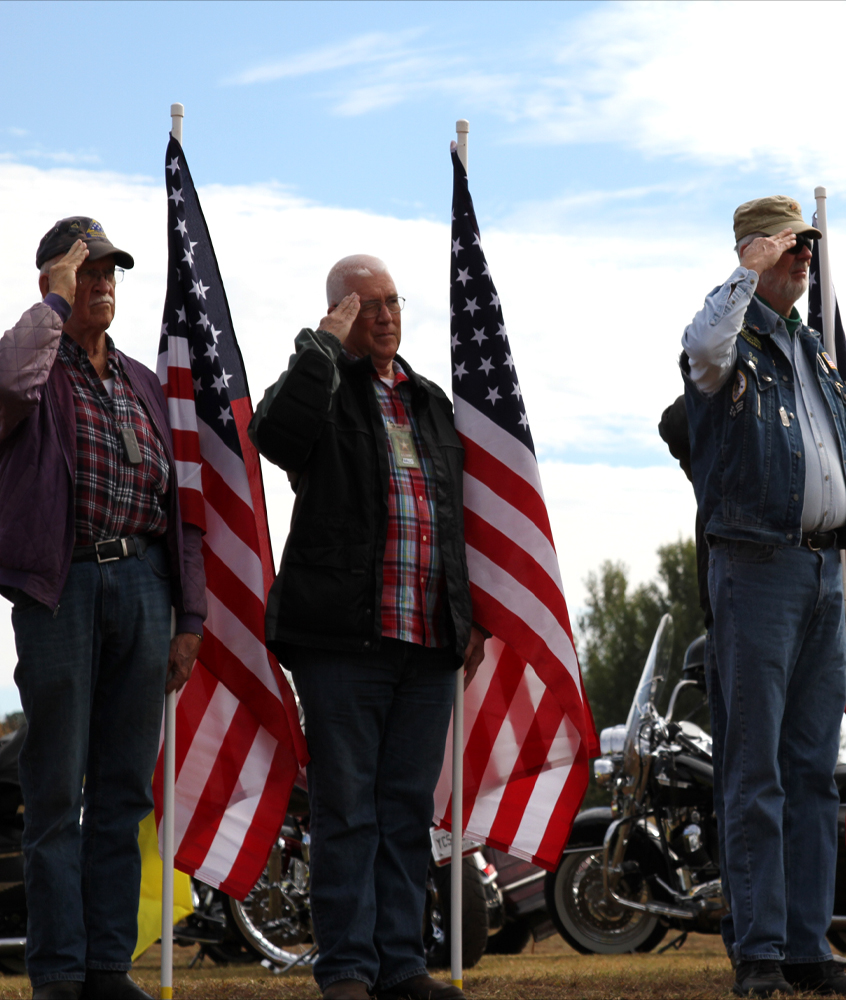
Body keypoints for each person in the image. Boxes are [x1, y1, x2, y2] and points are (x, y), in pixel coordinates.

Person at [249, 255, 486, 1000]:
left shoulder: (429, 402)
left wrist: (465, 615)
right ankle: (347, 968)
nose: (383, 316)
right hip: (341, 643)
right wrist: (321, 343)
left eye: (391, 301)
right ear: (341, 313)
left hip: (426, 640)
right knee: (347, 808)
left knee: (407, 811)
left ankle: (401, 965)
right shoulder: (319, 388)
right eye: (365, 305)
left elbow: (453, 516)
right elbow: (276, 437)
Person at [0, 217, 206, 1000]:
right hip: (63, 590)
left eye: (110, 270)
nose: (103, 283)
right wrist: (49, 309)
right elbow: (8, 380)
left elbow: (181, 505)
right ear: (54, 281)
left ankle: (105, 968)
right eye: (86, 272)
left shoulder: (141, 383)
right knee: (56, 792)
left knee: (125, 792)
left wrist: (188, 619)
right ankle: (57, 973)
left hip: (145, 589)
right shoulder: (33, 364)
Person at [679, 197, 846, 997]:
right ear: (757, 249)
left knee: (809, 771)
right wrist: (744, 272)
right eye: (794, 245)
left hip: (823, 573)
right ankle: (758, 950)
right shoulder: (733, 338)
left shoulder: (814, 352)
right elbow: (702, 349)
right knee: (753, 766)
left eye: (810, 246)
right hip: (756, 566)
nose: (806, 256)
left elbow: (839, 465)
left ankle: (804, 948)